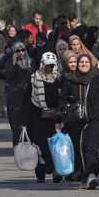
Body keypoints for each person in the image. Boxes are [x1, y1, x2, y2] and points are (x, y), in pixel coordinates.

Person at [59, 53, 99, 189]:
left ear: (90, 64)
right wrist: (61, 117)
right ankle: (82, 175)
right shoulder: (70, 79)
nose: (83, 64)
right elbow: (62, 100)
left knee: (90, 147)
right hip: (75, 120)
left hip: (94, 118)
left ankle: (91, 174)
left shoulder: (97, 79)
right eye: (81, 62)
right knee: (78, 149)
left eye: (86, 62)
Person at [28, 52, 62, 183]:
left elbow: (61, 98)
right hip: (37, 117)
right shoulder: (34, 78)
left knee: (53, 146)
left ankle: (54, 170)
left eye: (52, 65)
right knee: (40, 146)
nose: (49, 68)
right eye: (47, 65)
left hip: (54, 118)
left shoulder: (57, 79)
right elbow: (27, 100)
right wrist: (24, 122)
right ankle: (41, 174)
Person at [0, 41, 35, 146]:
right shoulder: (10, 63)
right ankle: (17, 146)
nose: (21, 53)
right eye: (18, 51)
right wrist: (15, 63)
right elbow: (7, 76)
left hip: (28, 96)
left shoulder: (31, 62)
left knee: (29, 122)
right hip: (14, 97)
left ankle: (29, 145)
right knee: (15, 123)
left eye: (23, 50)